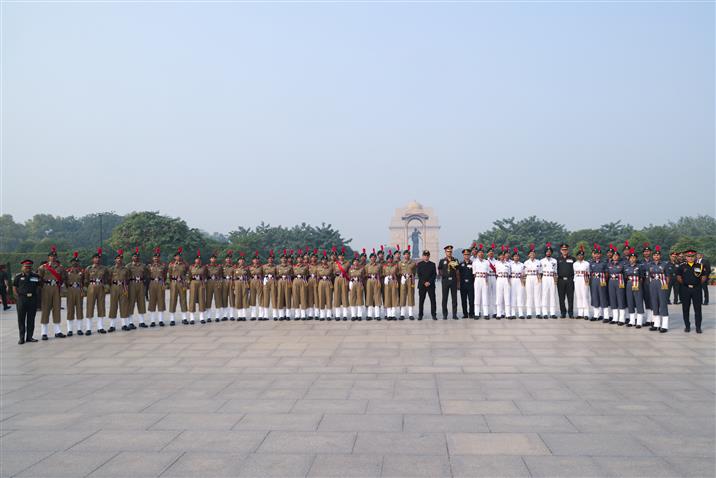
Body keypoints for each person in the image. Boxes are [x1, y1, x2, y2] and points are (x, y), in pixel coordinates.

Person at [37, 245, 65, 339]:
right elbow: (39, 279)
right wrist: (43, 287)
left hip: (56, 288)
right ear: (48, 257)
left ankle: (57, 331)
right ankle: (44, 333)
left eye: (54, 256)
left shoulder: (60, 267)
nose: (53, 257)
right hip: (46, 288)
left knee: (56, 308)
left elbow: (64, 278)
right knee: (45, 309)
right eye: (51, 256)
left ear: (56, 257)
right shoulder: (43, 267)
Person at [677, 248, 706, 333]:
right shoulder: (682, 266)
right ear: (686, 257)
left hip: (696, 289)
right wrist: (685, 284)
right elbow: (678, 277)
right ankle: (687, 326)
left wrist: (697, 284)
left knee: (698, 309)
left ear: (695, 256)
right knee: (685, 308)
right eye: (688, 256)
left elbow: (703, 277)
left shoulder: (699, 266)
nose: (690, 258)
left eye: (692, 256)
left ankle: (698, 327)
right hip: (685, 289)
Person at [13, 259, 40, 344]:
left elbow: (39, 286)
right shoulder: (18, 277)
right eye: (26, 267)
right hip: (22, 299)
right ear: (22, 267)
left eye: (29, 267)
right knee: (21, 319)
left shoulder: (35, 276)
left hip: (32, 299)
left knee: (31, 319)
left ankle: (29, 337)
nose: (28, 268)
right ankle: (21, 338)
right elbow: (14, 287)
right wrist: (17, 297)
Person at [648, 246, 671, 333]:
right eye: (654, 255)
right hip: (653, 284)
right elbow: (649, 276)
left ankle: (664, 326)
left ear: (660, 256)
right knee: (654, 304)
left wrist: (666, 286)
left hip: (662, 285)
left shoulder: (665, 264)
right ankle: (656, 324)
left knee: (663, 304)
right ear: (652, 256)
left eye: (658, 255)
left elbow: (668, 277)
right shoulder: (650, 265)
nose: (656, 257)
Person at [85, 248, 109, 333]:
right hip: (91, 286)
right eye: (95, 258)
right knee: (90, 306)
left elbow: (106, 279)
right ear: (92, 259)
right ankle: (88, 328)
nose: (97, 259)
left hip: (101, 287)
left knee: (101, 307)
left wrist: (106, 287)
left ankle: (100, 327)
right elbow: (86, 280)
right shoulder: (88, 268)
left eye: (98, 258)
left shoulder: (104, 269)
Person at [108, 249, 131, 332]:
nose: (119, 260)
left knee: (124, 305)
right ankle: (112, 325)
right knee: (113, 306)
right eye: (117, 258)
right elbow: (108, 279)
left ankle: (124, 324)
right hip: (114, 287)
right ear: (115, 260)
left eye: (120, 258)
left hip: (123, 287)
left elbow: (128, 279)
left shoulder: (126, 269)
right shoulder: (111, 269)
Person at [623, 248, 645, 327]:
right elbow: (625, 277)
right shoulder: (626, 267)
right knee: (630, 302)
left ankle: (639, 322)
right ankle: (631, 321)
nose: (632, 259)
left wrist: (638, 284)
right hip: (629, 285)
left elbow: (642, 278)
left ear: (636, 259)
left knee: (638, 302)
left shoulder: (639, 267)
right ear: (629, 259)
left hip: (637, 285)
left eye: (634, 258)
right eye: (631, 258)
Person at [64, 252, 85, 336]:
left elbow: (85, 281)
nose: (75, 263)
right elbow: (65, 281)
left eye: (76, 262)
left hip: (79, 290)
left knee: (79, 310)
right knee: (70, 310)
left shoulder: (82, 271)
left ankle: (79, 329)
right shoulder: (67, 272)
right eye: (73, 262)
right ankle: (70, 330)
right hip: (70, 290)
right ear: (71, 263)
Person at [167, 247, 189, 326]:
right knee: (173, 299)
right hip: (174, 282)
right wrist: (171, 282)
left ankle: (184, 318)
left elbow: (187, 273)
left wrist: (186, 281)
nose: (178, 257)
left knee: (183, 299)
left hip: (182, 283)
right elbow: (169, 275)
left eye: (180, 256)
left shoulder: (185, 264)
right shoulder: (171, 265)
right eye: (177, 256)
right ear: (174, 257)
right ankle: (172, 319)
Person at [127, 247, 148, 328]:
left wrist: (145, 282)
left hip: (141, 284)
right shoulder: (128, 266)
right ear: (132, 257)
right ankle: (130, 322)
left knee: (141, 302)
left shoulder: (143, 266)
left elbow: (147, 275)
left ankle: (141, 322)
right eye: (135, 256)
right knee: (131, 302)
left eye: (137, 256)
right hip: (132, 284)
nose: (136, 257)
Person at [147, 247, 168, 327]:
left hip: (160, 283)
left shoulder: (163, 265)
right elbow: (147, 275)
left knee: (161, 301)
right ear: (153, 258)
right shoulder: (149, 266)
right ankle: (152, 321)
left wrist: (163, 282)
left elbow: (165, 275)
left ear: (159, 258)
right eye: (155, 257)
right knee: (152, 301)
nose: (156, 258)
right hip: (152, 283)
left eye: (157, 257)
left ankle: (161, 320)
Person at [588, 244, 608, 321]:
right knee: (595, 297)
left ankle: (605, 316)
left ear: (600, 254)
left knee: (603, 297)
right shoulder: (591, 263)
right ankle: (596, 315)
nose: (597, 255)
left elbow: (606, 273)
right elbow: (590, 273)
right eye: (596, 254)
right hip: (594, 281)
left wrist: (604, 280)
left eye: (598, 254)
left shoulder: (604, 263)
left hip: (602, 281)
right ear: (594, 254)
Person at [438, 245, 459, 319]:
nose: (449, 253)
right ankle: (445, 314)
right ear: (445, 252)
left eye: (450, 251)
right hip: (445, 281)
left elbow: (457, 269)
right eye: (448, 251)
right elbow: (439, 270)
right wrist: (442, 275)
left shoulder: (455, 260)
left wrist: (453, 264)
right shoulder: (442, 261)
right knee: (445, 298)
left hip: (453, 280)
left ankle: (454, 314)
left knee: (454, 298)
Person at [607, 248, 627, 325]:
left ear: (619, 257)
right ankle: (615, 318)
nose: (615, 257)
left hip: (619, 282)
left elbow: (625, 275)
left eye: (616, 255)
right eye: (614, 255)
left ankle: (622, 319)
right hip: (611, 282)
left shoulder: (622, 264)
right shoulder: (609, 264)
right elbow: (607, 274)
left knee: (620, 299)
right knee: (613, 299)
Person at [556, 243, 575, 318]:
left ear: (568, 250)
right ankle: (563, 312)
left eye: (566, 249)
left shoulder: (573, 259)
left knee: (570, 297)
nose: (564, 251)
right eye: (563, 250)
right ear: (561, 250)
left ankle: (570, 313)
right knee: (561, 297)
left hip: (570, 280)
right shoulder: (557, 259)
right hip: (560, 280)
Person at [188, 250, 207, 324]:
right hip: (193, 282)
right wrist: (189, 283)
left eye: (199, 259)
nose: (198, 260)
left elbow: (205, 275)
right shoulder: (191, 267)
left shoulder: (204, 267)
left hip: (201, 283)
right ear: (194, 260)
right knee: (192, 299)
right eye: (196, 259)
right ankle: (192, 318)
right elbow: (189, 275)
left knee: (201, 299)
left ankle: (202, 318)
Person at [416, 250, 436, 320]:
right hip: (422, 285)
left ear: (429, 256)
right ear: (423, 256)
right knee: (421, 300)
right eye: (425, 255)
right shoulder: (419, 264)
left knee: (433, 300)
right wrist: (424, 282)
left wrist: (429, 282)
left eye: (427, 255)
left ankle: (434, 314)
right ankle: (420, 315)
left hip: (431, 285)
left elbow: (434, 275)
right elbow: (419, 275)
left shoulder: (433, 264)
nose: (426, 257)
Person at [540, 242, 558, 319]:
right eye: (547, 252)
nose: (548, 253)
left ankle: (552, 312)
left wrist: (555, 279)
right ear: (545, 253)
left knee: (552, 295)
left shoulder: (554, 260)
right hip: (545, 277)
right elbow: (540, 272)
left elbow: (555, 271)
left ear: (551, 253)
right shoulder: (541, 261)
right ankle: (544, 312)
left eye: (550, 252)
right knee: (544, 295)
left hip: (551, 277)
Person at [471, 245, 490, 319]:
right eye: (479, 252)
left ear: (483, 254)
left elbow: (487, 272)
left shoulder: (486, 262)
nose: (481, 254)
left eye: (482, 252)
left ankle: (486, 313)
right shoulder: (475, 262)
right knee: (477, 296)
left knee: (485, 296)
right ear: (477, 254)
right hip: (478, 279)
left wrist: (486, 280)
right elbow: (474, 274)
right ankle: (476, 313)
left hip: (484, 279)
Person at [523, 244, 541, 319]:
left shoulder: (538, 262)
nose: (532, 255)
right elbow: (524, 273)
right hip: (529, 277)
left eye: (533, 253)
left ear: (535, 254)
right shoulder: (526, 262)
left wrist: (539, 280)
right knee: (529, 296)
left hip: (536, 277)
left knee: (537, 295)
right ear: (528, 255)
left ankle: (538, 313)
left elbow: (540, 272)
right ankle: (529, 313)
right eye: (531, 253)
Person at [205, 252, 224, 323]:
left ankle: (217, 316)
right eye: (212, 258)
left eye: (214, 258)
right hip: (209, 282)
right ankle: (208, 317)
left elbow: (221, 275)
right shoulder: (207, 266)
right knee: (208, 299)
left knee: (218, 299)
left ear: (216, 259)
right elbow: (204, 275)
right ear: (210, 259)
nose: (213, 259)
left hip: (217, 282)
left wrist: (220, 282)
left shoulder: (219, 266)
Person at [573, 246, 591, 319]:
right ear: (577, 256)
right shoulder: (574, 264)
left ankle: (586, 313)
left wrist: (587, 280)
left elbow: (589, 272)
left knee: (585, 296)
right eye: (579, 255)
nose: (580, 256)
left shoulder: (587, 263)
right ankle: (580, 313)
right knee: (579, 296)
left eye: (582, 255)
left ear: (584, 256)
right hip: (577, 279)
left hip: (584, 280)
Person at [399, 248, 417, 320]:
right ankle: (402, 314)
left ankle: (410, 314)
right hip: (403, 280)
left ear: (410, 255)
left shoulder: (413, 263)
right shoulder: (400, 263)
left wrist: (411, 276)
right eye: (405, 254)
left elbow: (415, 272)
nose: (406, 255)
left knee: (410, 296)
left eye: (408, 254)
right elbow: (399, 271)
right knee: (403, 296)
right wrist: (402, 276)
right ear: (403, 255)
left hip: (410, 280)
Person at [333, 247, 350, 321]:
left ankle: (345, 315)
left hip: (344, 280)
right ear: (338, 257)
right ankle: (337, 315)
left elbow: (349, 272)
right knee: (337, 296)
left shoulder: (347, 263)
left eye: (342, 256)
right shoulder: (335, 264)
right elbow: (332, 272)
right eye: (340, 256)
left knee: (344, 296)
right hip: (337, 280)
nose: (341, 257)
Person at [494, 246, 512, 319]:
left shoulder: (508, 264)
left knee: (507, 296)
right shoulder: (496, 264)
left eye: (503, 255)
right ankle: (499, 314)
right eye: (501, 255)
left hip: (506, 279)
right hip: (499, 279)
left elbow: (510, 274)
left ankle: (508, 314)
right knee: (499, 297)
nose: (502, 256)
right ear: (498, 256)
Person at [364, 251, 382, 320]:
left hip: (376, 280)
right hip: (369, 281)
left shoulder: (379, 265)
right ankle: (369, 315)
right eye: (372, 257)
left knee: (377, 297)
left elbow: (381, 273)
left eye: (374, 257)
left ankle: (377, 315)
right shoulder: (367, 266)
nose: (373, 258)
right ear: (370, 258)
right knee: (369, 296)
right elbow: (365, 273)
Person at [291, 250, 309, 320]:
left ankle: (303, 314)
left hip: (303, 281)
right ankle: (297, 314)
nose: (300, 259)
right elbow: (292, 274)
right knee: (296, 297)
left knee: (303, 297)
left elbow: (307, 274)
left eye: (301, 258)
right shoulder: (294, 267)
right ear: (296, 259)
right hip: (295, 281)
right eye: (298, 258)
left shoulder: (305, 267)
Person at [382, 252, 400, 320]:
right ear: (387, 260)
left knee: (394, 298)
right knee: (388, 298)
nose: (390, 260)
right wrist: (386, 277)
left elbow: (398, 273)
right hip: (387, 283)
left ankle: (393, 315)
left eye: (391, 258)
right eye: (388, 259)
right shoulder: (384, 267)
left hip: (393, 282)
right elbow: (383, 274)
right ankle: (389, 315)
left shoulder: (395, 266)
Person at [316, 252, 333, 320]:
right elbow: (317, 276)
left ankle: (329, 315)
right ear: (321, 261)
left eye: (326, 260)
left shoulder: (330, 268)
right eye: (323, 260)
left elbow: (332, 276)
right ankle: (322, 315)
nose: (324, 261)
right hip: (321, 283)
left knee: (329, 298)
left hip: (328, 282)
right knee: (321, 298)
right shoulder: (318, 268)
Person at [232, 252, 250, 321]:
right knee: (238, 299)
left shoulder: (247, 268)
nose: (241, 261)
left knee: (244, 298)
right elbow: (233, 278)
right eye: (240, 260)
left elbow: (248, 277)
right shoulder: (235, 269)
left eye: (243, 260)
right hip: (237, 284)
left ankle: (244, 316)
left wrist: (249, 287)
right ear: (238, 261)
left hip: (244, 283)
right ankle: (239, 316)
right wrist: (233, 287)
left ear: (244, 261)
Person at [276, 251, 293, 321]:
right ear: (280, 259)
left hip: (287, 282)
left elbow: (292, 275)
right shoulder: (277, 267)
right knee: (280, 297)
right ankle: (281, 315)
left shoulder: (290, 267)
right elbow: (276, 275)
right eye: (282, 258)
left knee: (288, 297)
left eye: (285, 258)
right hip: (280, 282)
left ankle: (288, 315)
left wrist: (287, 276)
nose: (284, 259)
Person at [458, 249, 475, 319]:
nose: (466, 256)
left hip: (471, 284)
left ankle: (471, 313)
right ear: (463, 255)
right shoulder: (460, 264)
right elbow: (458, 274)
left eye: (468, 254)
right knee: (463, 300)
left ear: (470, 255)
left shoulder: (473, 263)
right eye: (465, 254)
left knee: (471, 300)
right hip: (463, 284)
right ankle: (465, 314)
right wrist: (458, 284)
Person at [509, 248, 526, 319]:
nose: (516, 257)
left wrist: (523, 281)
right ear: (513, 257)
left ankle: (521, 313)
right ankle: (513, 313)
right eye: (515, 256)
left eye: (517, 256)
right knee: (513, 297)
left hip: (520, 280)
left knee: (520, 296)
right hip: (512, 280)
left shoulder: (522, 264)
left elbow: (524, 273)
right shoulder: (510, 264)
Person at [348, 255, 365, 320]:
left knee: (360, 299)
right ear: (353, 262)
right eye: (354, 261)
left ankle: (359, 315)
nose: (356, 262)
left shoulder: (361, 269)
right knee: (352, 299)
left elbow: (363, 276)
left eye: (357, 261)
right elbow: (349, 276)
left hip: (359, 283)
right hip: (352, 283)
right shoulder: (350, 269)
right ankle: (353, 315)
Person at [248, 252, 264, 320]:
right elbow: (248, 276)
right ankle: (253, 315)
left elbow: (264, 275)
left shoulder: (262, 267)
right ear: (252, 260)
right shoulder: (250, 267)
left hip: (259, 282)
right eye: (254, 259)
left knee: (260, 298)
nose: (256, 260)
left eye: (257, 259)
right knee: (252, 298)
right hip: (252, 282)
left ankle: (261, 315)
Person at [221, 251, 235, 321]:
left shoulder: (234, 267)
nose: (228, 259)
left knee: (232, 298)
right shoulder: (221, 267)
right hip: (224, 283)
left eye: (229, 258)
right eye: (227, 258)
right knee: (224, 298)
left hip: (231, 282)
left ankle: (232, 315)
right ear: (225, 259)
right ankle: (224, 315)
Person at [486, 244, 497, 318]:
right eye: (489, 252)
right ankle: (487, 312)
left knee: (495, 295)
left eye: (492, 252)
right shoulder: (485, 261)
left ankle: (494, 312)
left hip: (494, 277)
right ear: (487, 253)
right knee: (487, 295)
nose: (491, 253)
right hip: (487, 277)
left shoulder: (497, 261)